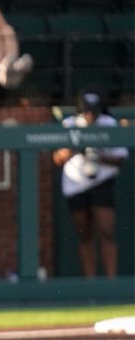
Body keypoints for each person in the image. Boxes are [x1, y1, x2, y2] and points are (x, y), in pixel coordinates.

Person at [53, 92, 128, 278]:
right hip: (75, 184)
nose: (90, 116)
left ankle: (110, 283)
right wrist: (74, 149)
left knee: (106, 231)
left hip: (101, 182)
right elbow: (58, 158)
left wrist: (97, 155)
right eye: (86, 112)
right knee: (85, 234)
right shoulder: (70, 124)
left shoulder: (109, 124)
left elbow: (120, 158)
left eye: (93, 112)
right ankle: (90, 284)